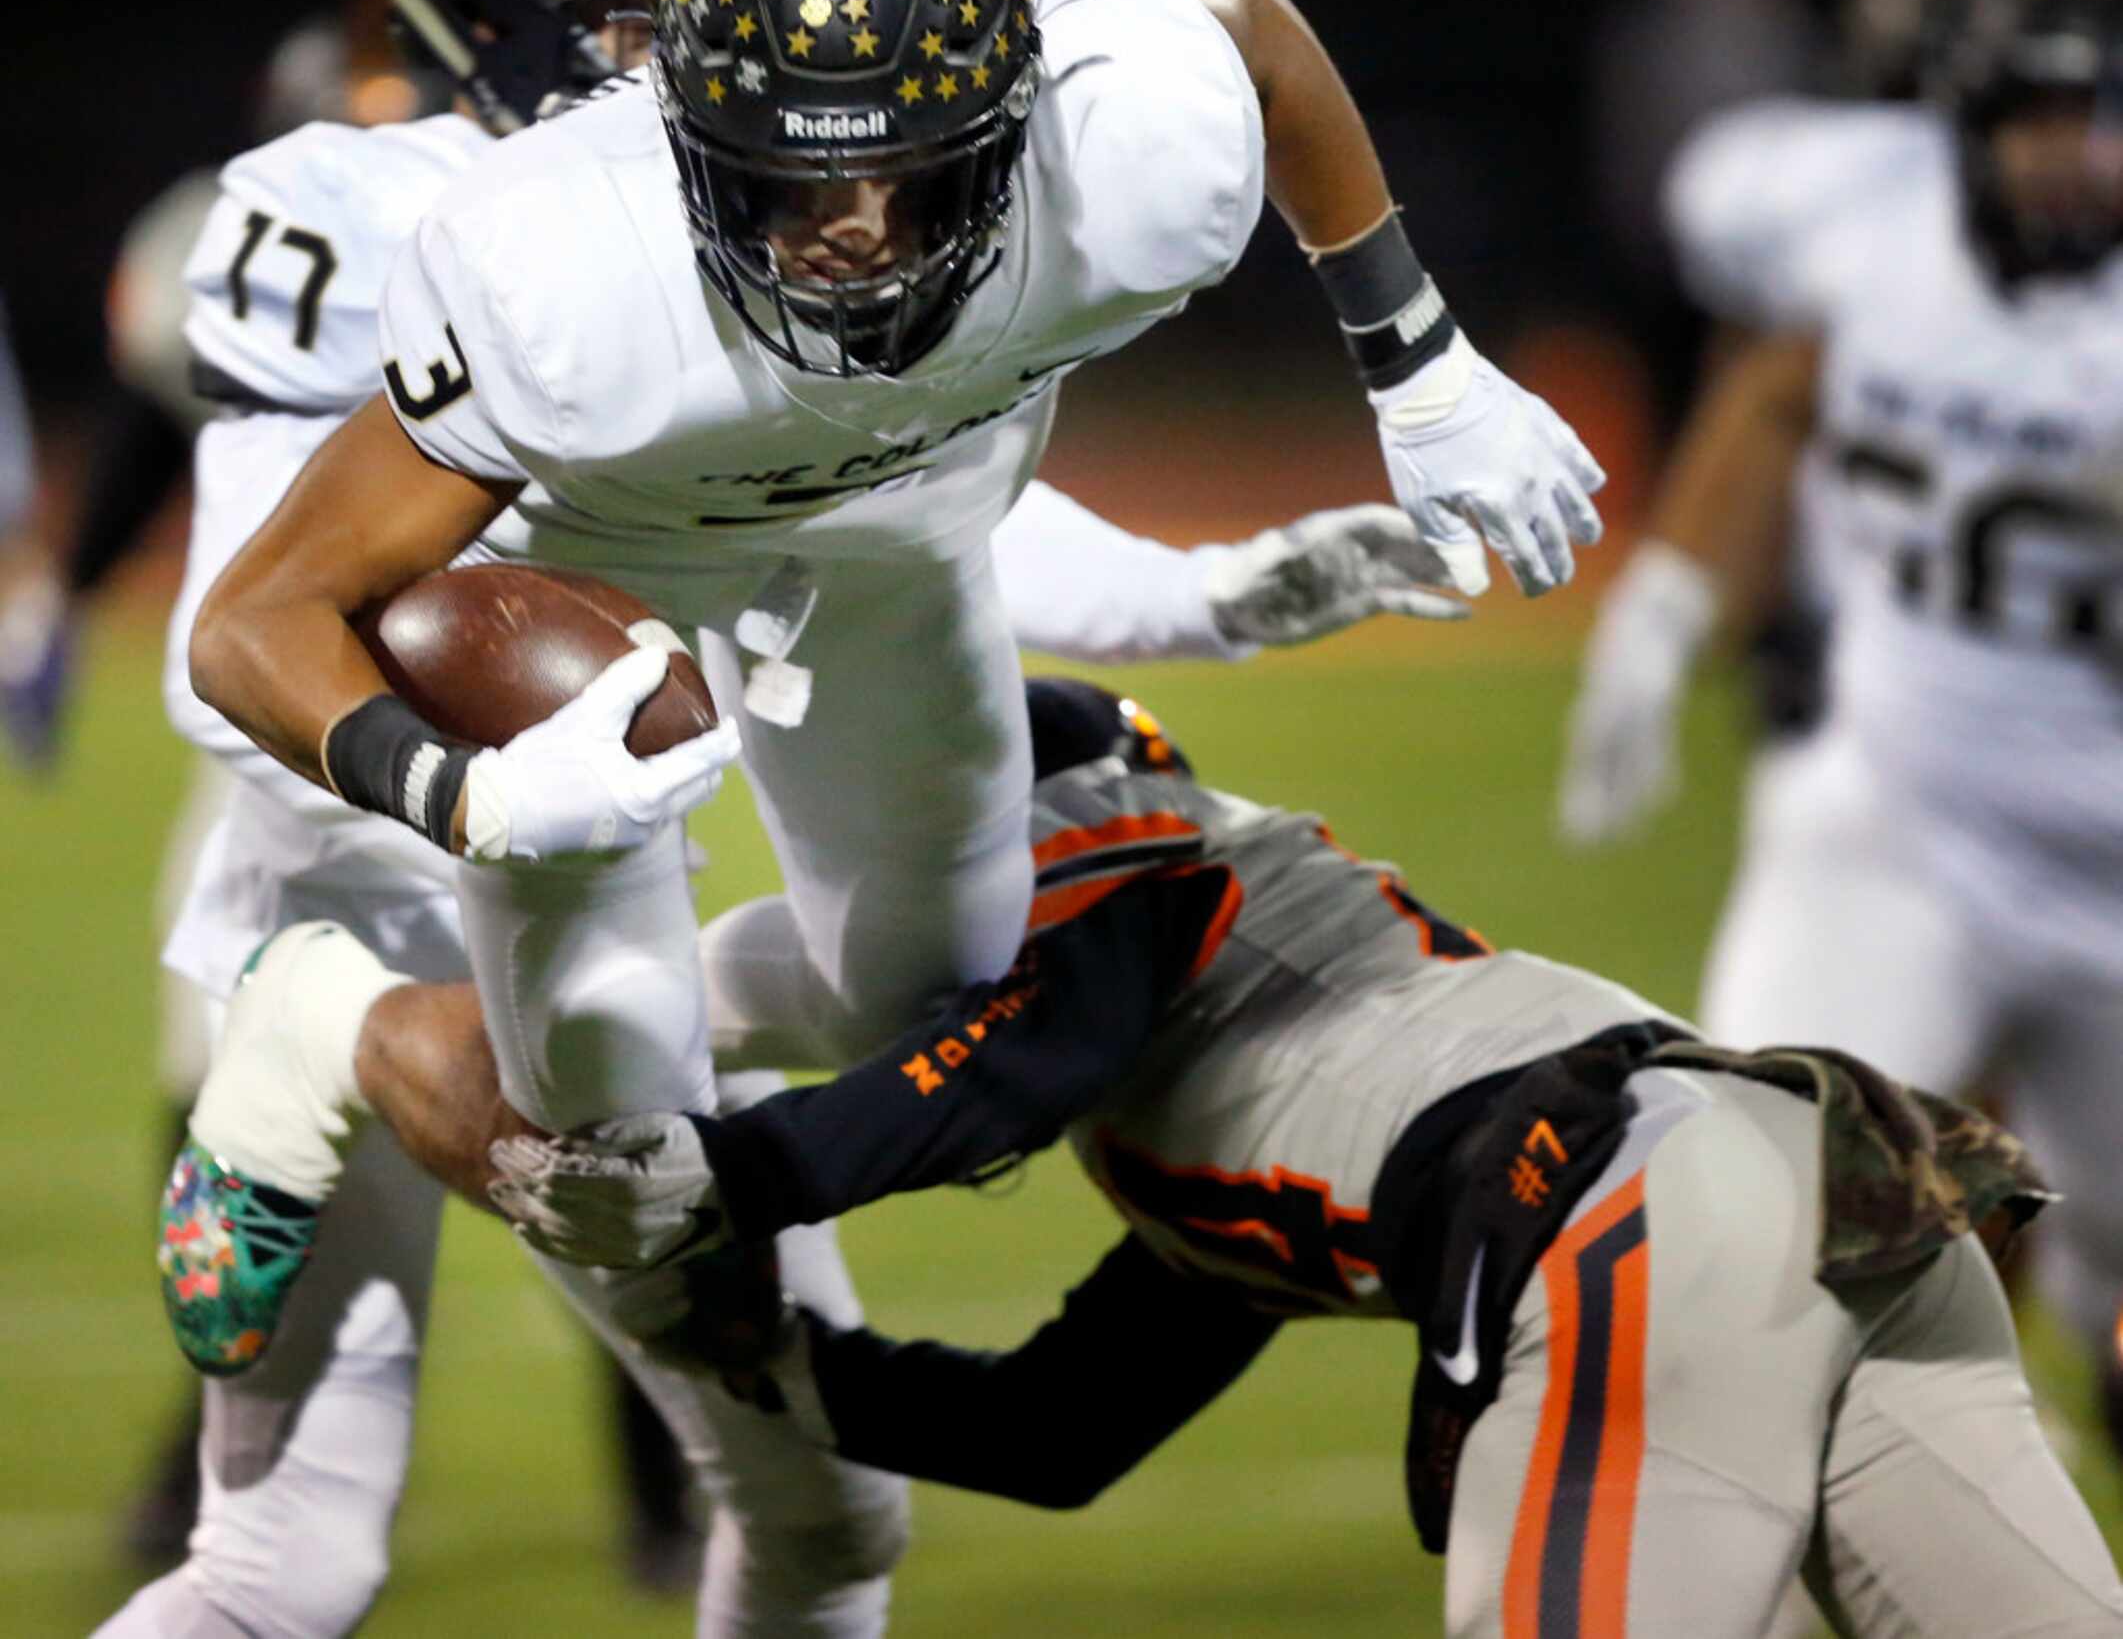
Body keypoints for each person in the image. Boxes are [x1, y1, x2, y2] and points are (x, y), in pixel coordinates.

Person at [124, 0, 1482, 1633]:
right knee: (292, 1555)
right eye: (638, 14)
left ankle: (433, 1025)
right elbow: (247, 644)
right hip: (369, 861)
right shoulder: (400, 219)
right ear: (528, 6)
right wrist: (479, 786)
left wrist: (1214, 595)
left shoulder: (815, 208)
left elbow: (893, 503)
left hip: (598, 863)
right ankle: (349, 1031)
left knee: (833, 1510)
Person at [168, 678, 2123, 1636]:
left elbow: (1019, 1069)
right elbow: (1061, 1430)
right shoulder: (1236, 1109)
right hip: (1842, 1196)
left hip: (1628, 1222)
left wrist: (725, 1187)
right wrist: (763, 1360)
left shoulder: (1123, 848)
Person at [1555, 0, 2123, 1450]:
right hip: (1897, 814)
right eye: (2042, 120)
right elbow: (1778, 379)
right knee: (1742, 1215)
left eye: (2109, 123)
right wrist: (1661, 616)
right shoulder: (1866, 215)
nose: (2074, 160)